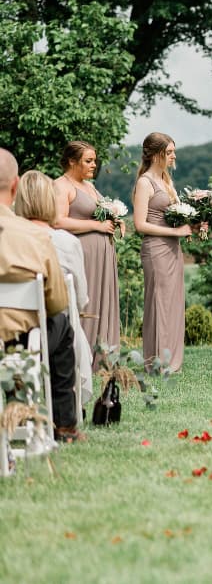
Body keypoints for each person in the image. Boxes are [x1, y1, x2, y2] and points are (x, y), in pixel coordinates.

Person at [0, 149, 83, 443]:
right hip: (21, 341)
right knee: (62, 326)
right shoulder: (35, 237)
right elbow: (57, 301)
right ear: (14, 187)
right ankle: (65, 426)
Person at [14, 170, 94, 405]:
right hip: (55, 331)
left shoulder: (7, 239)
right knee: (68, 325)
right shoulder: (67, 242)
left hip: (12, 329)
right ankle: (67, 412)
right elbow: (79, 300)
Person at [53, 140, 123, 363]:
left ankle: (103, 356)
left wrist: (114, 219)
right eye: (88, 161)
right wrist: (97, 226)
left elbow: (96, 213)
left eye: (95, 160)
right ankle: (82, 359)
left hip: (103, 255)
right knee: (87, 302)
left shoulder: (89, 186)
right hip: (83, 254)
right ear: (72, 161)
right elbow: (58, 221)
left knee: (102, 301)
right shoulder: (61, 186)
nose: (94, 165)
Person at [132, 133, 193, 373]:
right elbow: (140, 225)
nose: (173, 156)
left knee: (173, 304)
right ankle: (157, 361)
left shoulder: (167, 181)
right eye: (169, 152)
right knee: (158, 303)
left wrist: (194, 224)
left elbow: (177, 215)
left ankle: (172, 361)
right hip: (156, 250)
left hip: (172, 250)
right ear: (157, 154)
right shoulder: (145, 183)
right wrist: (177, 232)